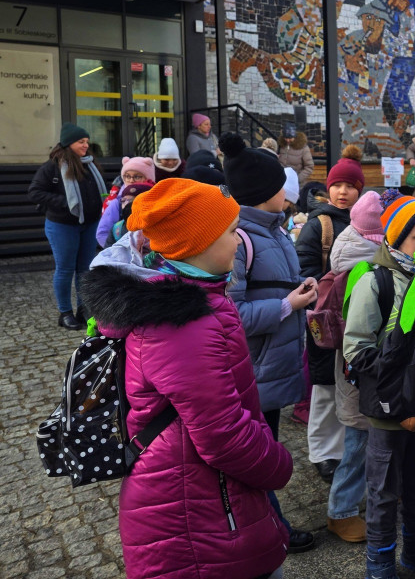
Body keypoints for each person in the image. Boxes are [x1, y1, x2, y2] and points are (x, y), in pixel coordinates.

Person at [80, 178, 293, 579]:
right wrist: (278, 463)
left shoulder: (189, 300)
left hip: (197, 491)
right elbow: (223, 435)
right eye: (232, 232)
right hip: (196, 507)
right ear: (199, 244)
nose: (239, 240)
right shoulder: (184, 324)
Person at [219, 131, 318, 555]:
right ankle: (272, 527)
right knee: (257, 454)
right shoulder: (238, 238)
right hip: (254, 368)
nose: (287, 194)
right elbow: (230, 314)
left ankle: (265, 523)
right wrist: (287, 305)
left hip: (273, 364)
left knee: (265, 446)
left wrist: (301, 290)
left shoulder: (274, 230)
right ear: (265, 194)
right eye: (281, 187)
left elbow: (276, 283)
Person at [344, 190, 415, 579]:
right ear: (397, 239)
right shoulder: (375, 280)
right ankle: (380, 562)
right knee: (383, 490)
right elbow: (356, 349)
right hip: (388, 405)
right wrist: (396, 370)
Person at [295, 144, 365, 482]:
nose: (343, 191)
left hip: (359, 318)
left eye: (350, 186)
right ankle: (323, 452)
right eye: (337, 185)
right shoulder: (319, 225)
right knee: (324, 387)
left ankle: (347, 449)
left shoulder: (368, 222)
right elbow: (304, 270)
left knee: (350, 386)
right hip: (326, 317)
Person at [322, 190, 385, 543]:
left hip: (361, 367)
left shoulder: (351, 247)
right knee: (358, 443)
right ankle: (341, 510)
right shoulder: (362, 268)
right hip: (358, 369)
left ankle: (376, 495)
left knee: (368, 439)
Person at [28, 122, 107, 330]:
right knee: (65, 269)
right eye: (81, 142)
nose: (86, 145)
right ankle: (65, 313)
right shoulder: (53, 166)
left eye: (87, 141)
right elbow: (35, 192)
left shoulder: (90, 163)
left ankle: (84, 310)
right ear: (68, 143)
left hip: (90, 224)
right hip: (62, 225)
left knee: (85, 270)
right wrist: (66, 203)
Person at [97, 157, 155, 246]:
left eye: (137, 176)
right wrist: (115, 250)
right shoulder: (117, 202)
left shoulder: (157, 199)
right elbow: (103, 232)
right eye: (127, 176)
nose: (131, 180)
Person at [103, 181, 153, 247]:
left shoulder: (157, 229)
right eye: (123, 200)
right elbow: (108, 251)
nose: (126, 204)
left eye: (133, 201)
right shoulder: (117, 228)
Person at [278, 123, 315, 196]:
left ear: (295, 137)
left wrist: (297, 179)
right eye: (285, 138)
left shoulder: (303, 148)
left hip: (297, 186)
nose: (287, 140)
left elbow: (309, 167)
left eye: (290, 138)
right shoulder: (281, 146)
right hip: (282, 183)